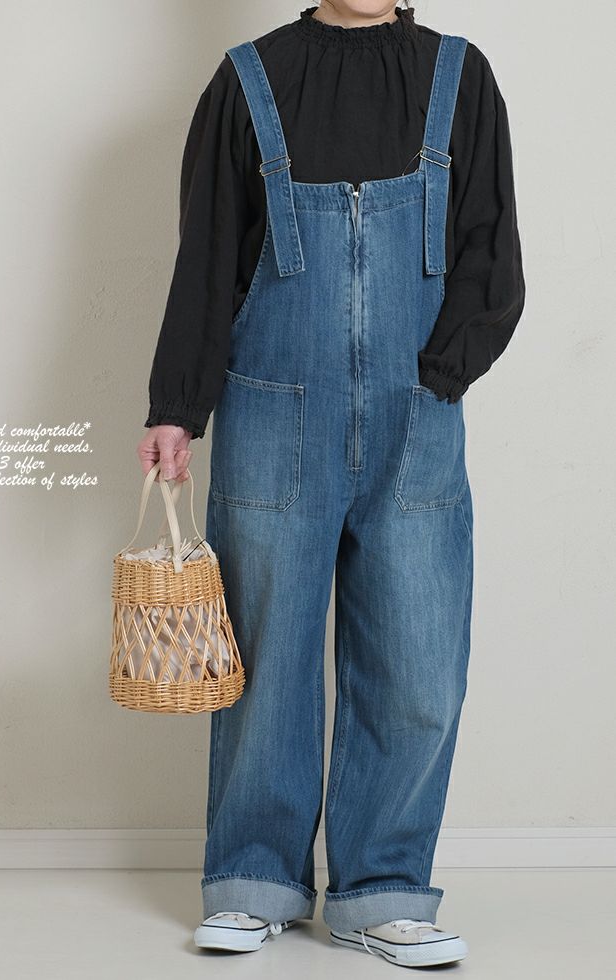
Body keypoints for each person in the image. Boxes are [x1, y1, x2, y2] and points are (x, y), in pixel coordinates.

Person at [137, 2, 525, 967]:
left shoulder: (459, 76)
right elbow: (208, 253)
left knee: (417, 662)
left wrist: (442, 377)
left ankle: (383, 891)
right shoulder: (248, 78)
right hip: (272, 413)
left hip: (416, 413)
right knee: (264, 660)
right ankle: (252, 883)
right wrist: (177, 405)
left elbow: (491, 247)